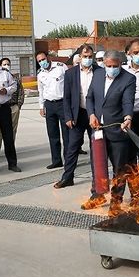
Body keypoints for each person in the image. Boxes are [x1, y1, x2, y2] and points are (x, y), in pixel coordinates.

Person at [82, 50, 136, 216]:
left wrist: (128, 117)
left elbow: (128, 101)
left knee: (119, 168)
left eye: (115, 66)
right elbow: (89, 97)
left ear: (120, 64)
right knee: (97, 165)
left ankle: (116, 202)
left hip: (117, 130)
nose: (112, 69)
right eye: (109, 66)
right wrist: (91, 114)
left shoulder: (128, 79)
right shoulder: (98, 75)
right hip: (98, 129)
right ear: (103, 64)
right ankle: (97, 195)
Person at [54, 45, 100, 189]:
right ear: (79, 57)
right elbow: (66, 97)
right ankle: (67, 177)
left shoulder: (100, 72)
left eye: (90, 57)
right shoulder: (71, 73)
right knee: (72, 148)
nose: (87, 59)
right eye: (84, 56)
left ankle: (97, 179)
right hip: (78, 115)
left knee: (96, 148)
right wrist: (68, 116)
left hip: (95, 116)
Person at [36, 51, 69, 169]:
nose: (42, 62)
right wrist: (41, 106)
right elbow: (41, 91)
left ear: (48, 58)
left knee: (67, 134)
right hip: (49, 105)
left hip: (62, 103)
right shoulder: (40, 73)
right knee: (53, 134)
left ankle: (68, 160)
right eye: (39, 61)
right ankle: (56, 160)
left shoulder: (61, 67)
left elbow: (69, 84)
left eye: (43, 59)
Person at [0, 58, 24, 157]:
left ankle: (10, 151)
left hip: (13, 107)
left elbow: (21, 92)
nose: (6, 66)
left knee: (12, 131)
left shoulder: (15, 78)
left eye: (8, 64)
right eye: (4, 64)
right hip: (2, 107)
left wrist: (18, 105)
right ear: (0, 65)